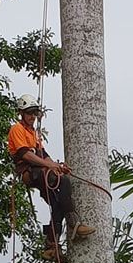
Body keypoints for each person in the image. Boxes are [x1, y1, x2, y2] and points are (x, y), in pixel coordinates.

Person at [6, 104, 92, 251]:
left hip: (39, 171)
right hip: (30, 172)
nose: (32, 117)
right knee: (63, 182)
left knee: (57, 203)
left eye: (35, 113)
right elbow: (25, 154)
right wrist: (50, 166)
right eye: (29, 113)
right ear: (21, 113)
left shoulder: (33, 132)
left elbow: (44, 155)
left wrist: (57, 166)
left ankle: (51, 244)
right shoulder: (17, 129)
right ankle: (74, 223)